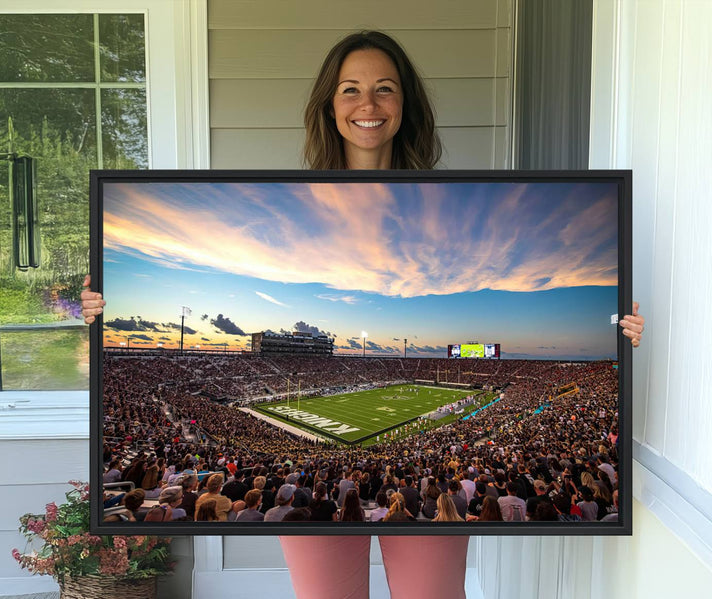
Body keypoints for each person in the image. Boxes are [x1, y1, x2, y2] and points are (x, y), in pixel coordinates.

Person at [81, 29, 645, 599]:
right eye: (350, 89)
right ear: (329, 104)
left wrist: (623, 334)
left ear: (406, 105)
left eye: (385, 89)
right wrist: (98, 309)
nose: (368, 105)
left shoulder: (445, 197)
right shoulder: (297, 196)